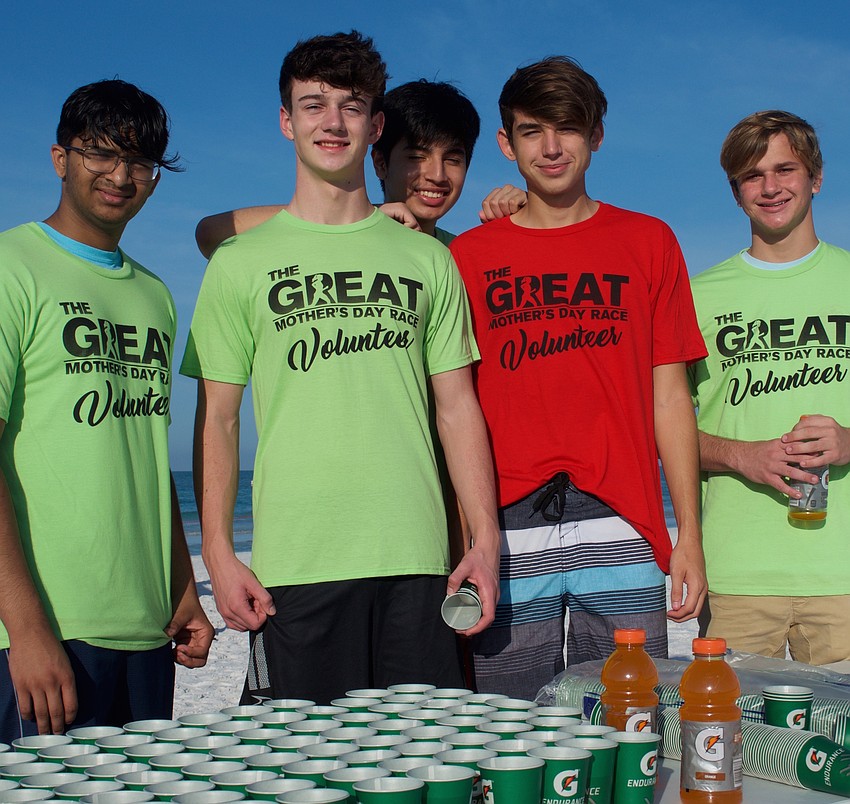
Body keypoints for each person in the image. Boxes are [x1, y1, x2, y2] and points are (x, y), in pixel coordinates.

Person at [181, 31, 500, 704]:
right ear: (286, 120)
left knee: (423, 769)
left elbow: (457, 406)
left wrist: (485, 537)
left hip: (418, 562)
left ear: (374, 124)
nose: (332, 121)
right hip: (297, 565)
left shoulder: (427, 259)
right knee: (301, 771)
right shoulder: (240, 263)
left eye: (351, 105)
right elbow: (219, 417)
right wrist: (217, 549)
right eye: (313, 103)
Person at [449, 56, 708, 699]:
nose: (552, 146)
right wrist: (469, 537)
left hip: (623, 516)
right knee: (506, 724)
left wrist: (688, 538)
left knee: (626, 722)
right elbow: (454, 410)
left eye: (568, 128)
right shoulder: (468, 256)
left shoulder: (650, 241)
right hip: (506, 522)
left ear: (596, 135)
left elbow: (671, 400)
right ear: (507, 144)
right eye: (533, 130)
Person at [0, 79, 213, 740]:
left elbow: (145, 456)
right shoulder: (13, 266)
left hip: (146, 631)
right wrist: (26, 629)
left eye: (140, 163)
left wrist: (183, 593)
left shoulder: (154, 294)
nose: (121, 176)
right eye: (100, 154)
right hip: (43, 635)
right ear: (61, 157)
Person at [690, 111, 850, 664]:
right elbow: (659, 427)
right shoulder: (696, 296)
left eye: (786, 169)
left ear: (817, 177)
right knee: (732, 747)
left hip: (844, 577)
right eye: (752, 176)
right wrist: (741, 456)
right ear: (736, 192)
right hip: (736, 574)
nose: (771, 187)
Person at [193, 78, 496, 257]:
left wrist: (527, 208)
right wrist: (359, 216)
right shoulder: (327, 236)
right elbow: (212, 233)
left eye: (453, 160)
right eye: (416, 157)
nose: (437, 175)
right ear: (380, 162)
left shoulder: (458, 255)